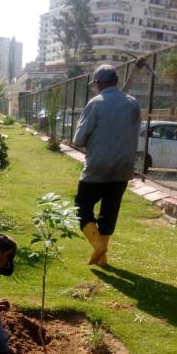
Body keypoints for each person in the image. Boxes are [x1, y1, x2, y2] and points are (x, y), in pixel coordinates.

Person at [72, 64, 141, 267]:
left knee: (81, 207)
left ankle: (98, 246)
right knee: (109, 212)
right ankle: (102, 260)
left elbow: (78, 139)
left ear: (99, 83)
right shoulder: (133, 104)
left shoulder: (95, 104)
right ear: (116, 81)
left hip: (97, 167)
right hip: (124, 167)